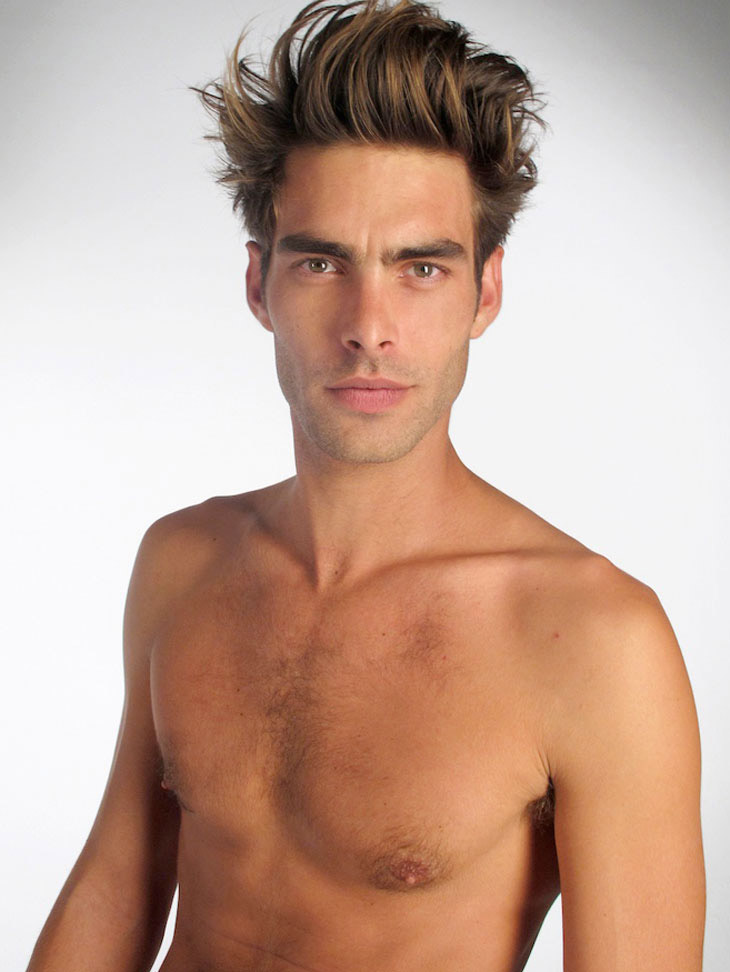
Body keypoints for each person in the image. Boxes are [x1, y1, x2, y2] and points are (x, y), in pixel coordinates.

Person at [26, 1, 705, 970]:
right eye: (321, 262)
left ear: (486, 292)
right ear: (259, 284)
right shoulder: (182, 560)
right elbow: (115, 889)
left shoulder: (594, 639)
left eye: (420, 268)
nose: (367, 327)